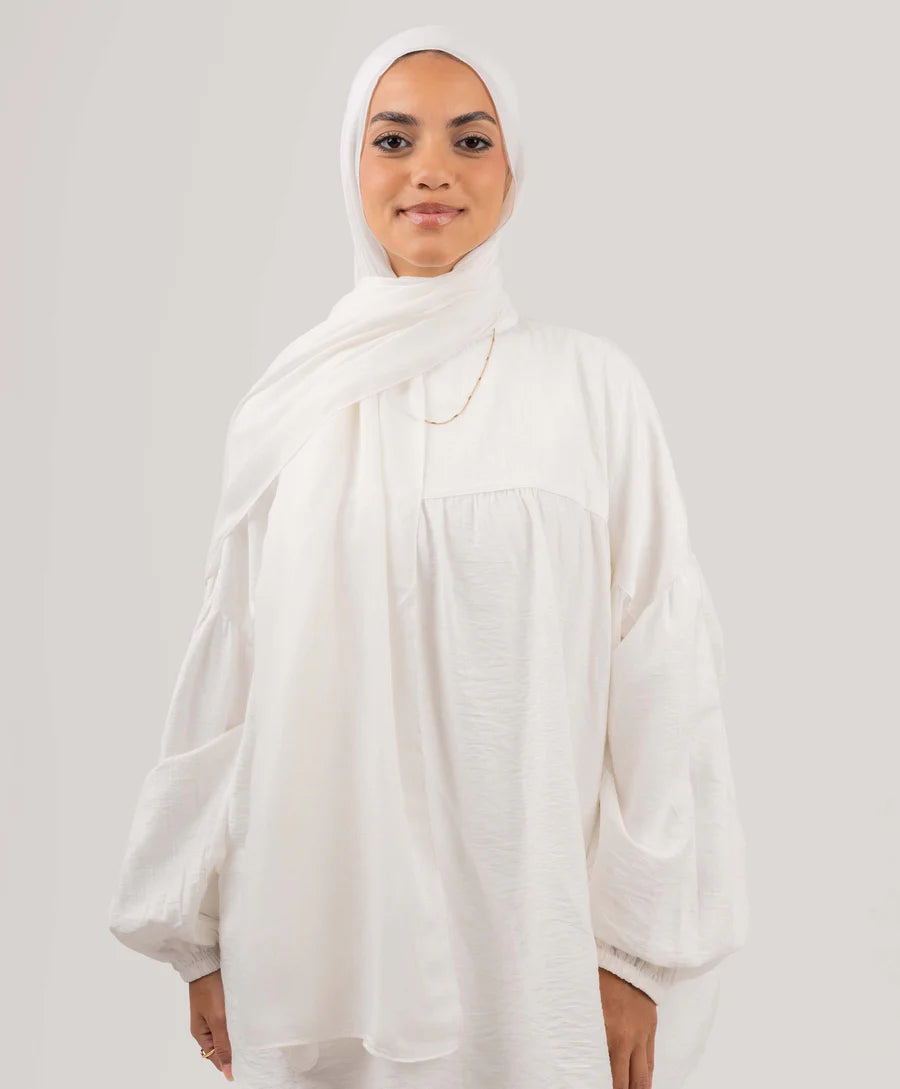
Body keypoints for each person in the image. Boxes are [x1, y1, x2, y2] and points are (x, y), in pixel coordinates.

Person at [108, 24, 749, 1089]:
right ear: (352, 166)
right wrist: (201, 933)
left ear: (514, 169)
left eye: (471, 140)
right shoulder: (292, 408)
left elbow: (663, 671)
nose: (432, 171)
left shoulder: (589, 389)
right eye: (395, 140)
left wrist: (635, 951)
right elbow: (233, 677)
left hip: (538, 948)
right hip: (321, 948)